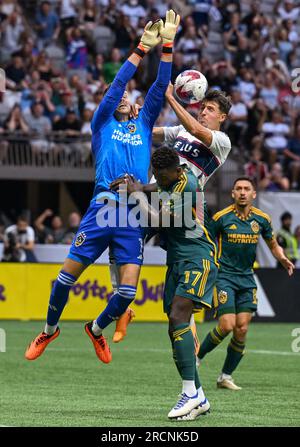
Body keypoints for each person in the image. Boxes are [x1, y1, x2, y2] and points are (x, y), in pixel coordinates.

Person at [24, 10, 180, 363]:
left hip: (134, 211)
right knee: (65, 279)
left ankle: (95, 329)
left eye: (130, 95)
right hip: (104, 206)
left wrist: (167, 46)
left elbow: (160, 87)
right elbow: (114, 89)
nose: (124, 97)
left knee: (127, 292)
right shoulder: (102, 124)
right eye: (121, 95)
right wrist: (140, 49)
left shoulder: (143, 124)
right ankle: (49, 331)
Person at [123, 147, 215, 420]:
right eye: (159, 178)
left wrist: (137, 195)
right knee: (174, 327)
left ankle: (190, 392)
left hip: (197, 258)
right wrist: (141, 185)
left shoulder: (187, 187)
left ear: (177, 171)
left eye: (163, 177)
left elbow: (160, 219)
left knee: (179, 316)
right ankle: (199, 396)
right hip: (176, 261)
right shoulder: (171, 178)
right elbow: (156, 186)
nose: (160, 182)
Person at [197, 177, 294, 390]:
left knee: (241, 329)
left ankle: (225, 377)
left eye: (246, 189)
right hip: (224, 277)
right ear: (232, 193)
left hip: (247, 279)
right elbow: (206, 244)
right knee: (226, 326)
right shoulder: (221, 218)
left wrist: (282, 258)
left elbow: (273, 244)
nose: (242, 192)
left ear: (254, 194)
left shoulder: (262, 219)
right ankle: (198, 356)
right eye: (238, 189)